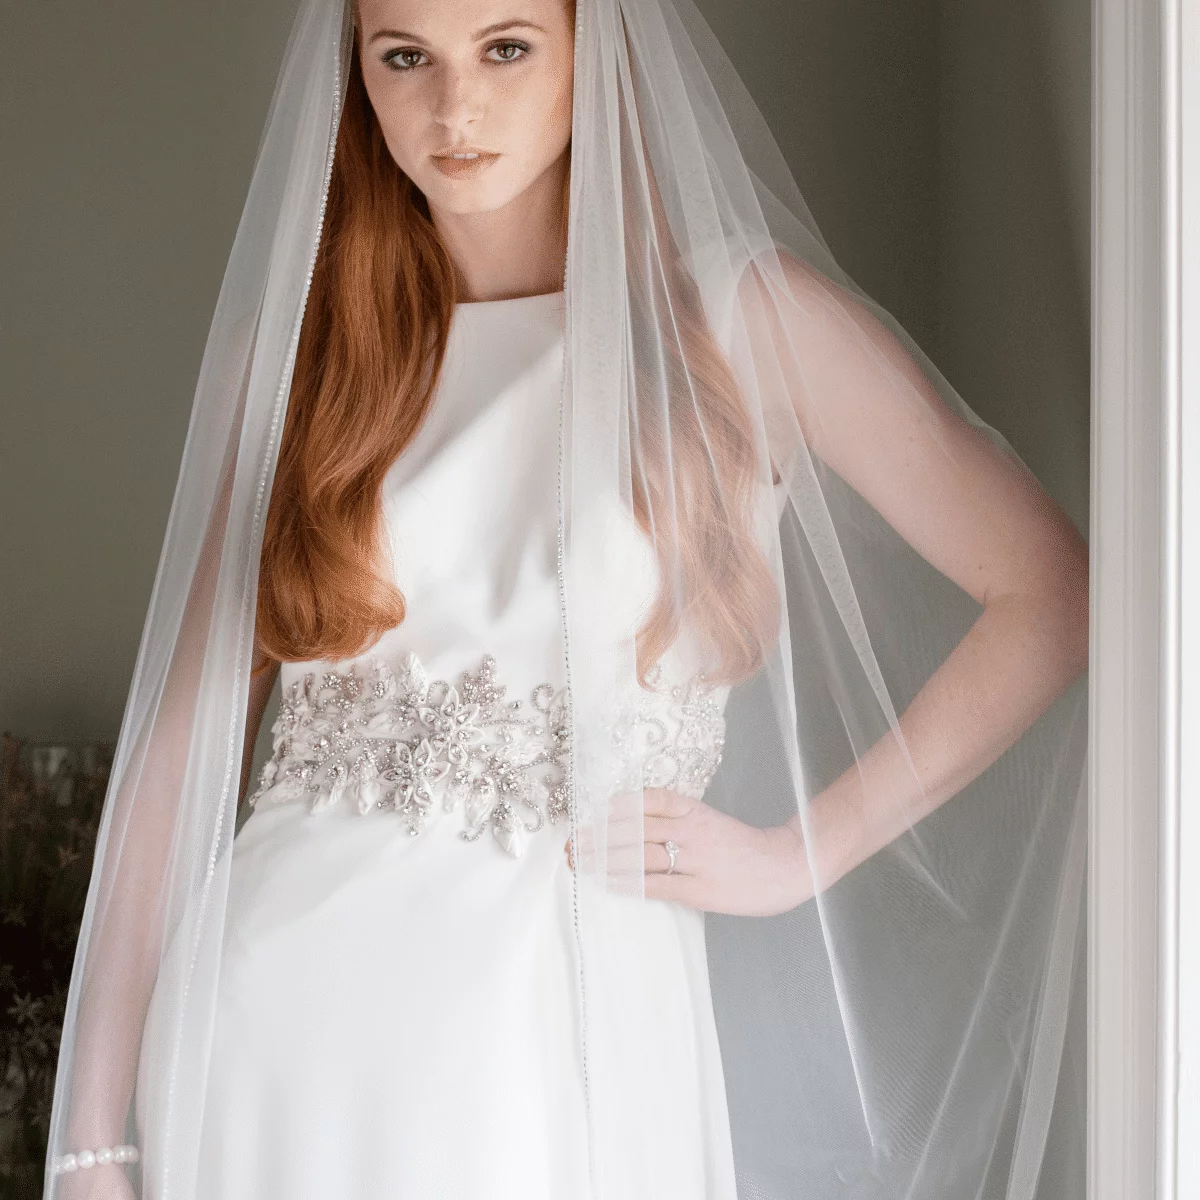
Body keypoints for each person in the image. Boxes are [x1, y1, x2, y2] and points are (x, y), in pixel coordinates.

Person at [45, 0, 1090, 1197]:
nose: (456, 107)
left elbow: (1049, 593)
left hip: (560, 1036)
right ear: (357, 77)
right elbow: (177, 754)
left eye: (507, 47)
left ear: (596, 52)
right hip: (270, 1030)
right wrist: (90, 1138)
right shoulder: (293, 358)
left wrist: (798, 855)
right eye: (405, 58)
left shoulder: (744, 325)